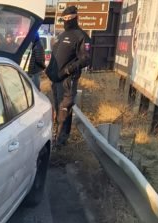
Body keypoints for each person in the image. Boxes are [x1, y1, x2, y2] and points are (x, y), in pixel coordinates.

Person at [45, 5, 91, 146]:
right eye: (63, 19)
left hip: (67, 81)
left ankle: (61, 142)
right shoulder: (62, 35)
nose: (66, 21)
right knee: (57, 108)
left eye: (68, 18)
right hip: (55, 80)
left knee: (64, 109)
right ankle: (56, 137)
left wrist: (68, 71)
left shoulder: (81, 36)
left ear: (75, 18)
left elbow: (85, 58)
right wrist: (49, 70)